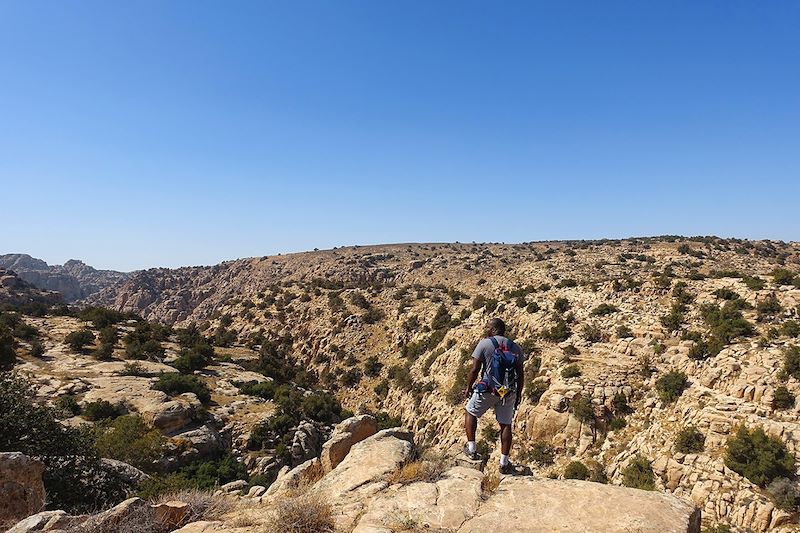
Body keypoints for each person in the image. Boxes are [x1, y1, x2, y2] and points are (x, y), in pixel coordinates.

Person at [463, 317, 525, 474]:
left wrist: (468, 387)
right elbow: (520, 374)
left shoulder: (485, 344)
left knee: (470, 411)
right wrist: (518, 394)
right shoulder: (515, 347)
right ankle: (504, 463)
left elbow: (474, 369)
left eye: (488, 327)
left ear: (493, 329)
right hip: (507, 391)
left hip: (489, 388)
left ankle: (471, 448)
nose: (486, 330)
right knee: (505, 424)